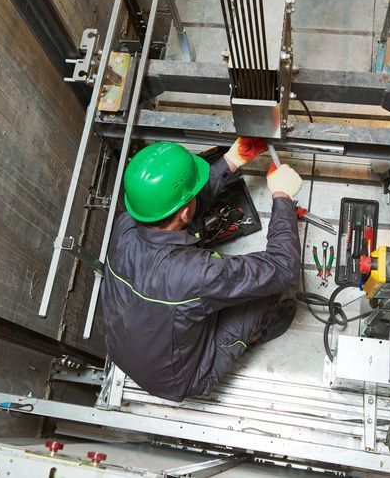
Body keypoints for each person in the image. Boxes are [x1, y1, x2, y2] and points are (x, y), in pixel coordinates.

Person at [101, 137, 303, 402]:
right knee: (269, 288)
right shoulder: (194, 273)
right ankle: (258, 333)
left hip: (123, 350)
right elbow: (283, 267)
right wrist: (282, 197)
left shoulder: (127, 222)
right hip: (182, 380)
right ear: (185, 212)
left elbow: (179, 209)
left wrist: (232, 160)